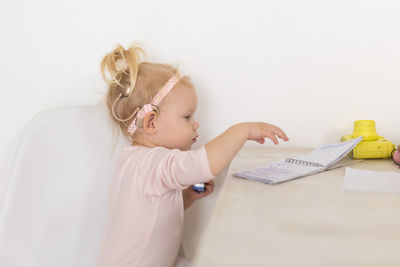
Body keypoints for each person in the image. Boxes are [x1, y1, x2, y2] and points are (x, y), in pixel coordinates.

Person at [95, 43, 289, 267]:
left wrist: (185, 198)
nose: (195, 124)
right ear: (150, 123)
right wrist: (243, 130)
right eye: (187, 117)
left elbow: (151, 211)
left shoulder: (131, 160)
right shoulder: (155, 163)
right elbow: (204, 163)